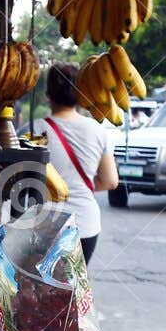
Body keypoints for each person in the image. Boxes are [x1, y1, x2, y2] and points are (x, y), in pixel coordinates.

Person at [38, 63, 119, 263]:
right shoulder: (98, 131)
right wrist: (78, 187)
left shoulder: (32, 129)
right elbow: (110, 181)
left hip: (43, 227)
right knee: (75, 291)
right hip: (85, 225)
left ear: (48, 93)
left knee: (42, 291)